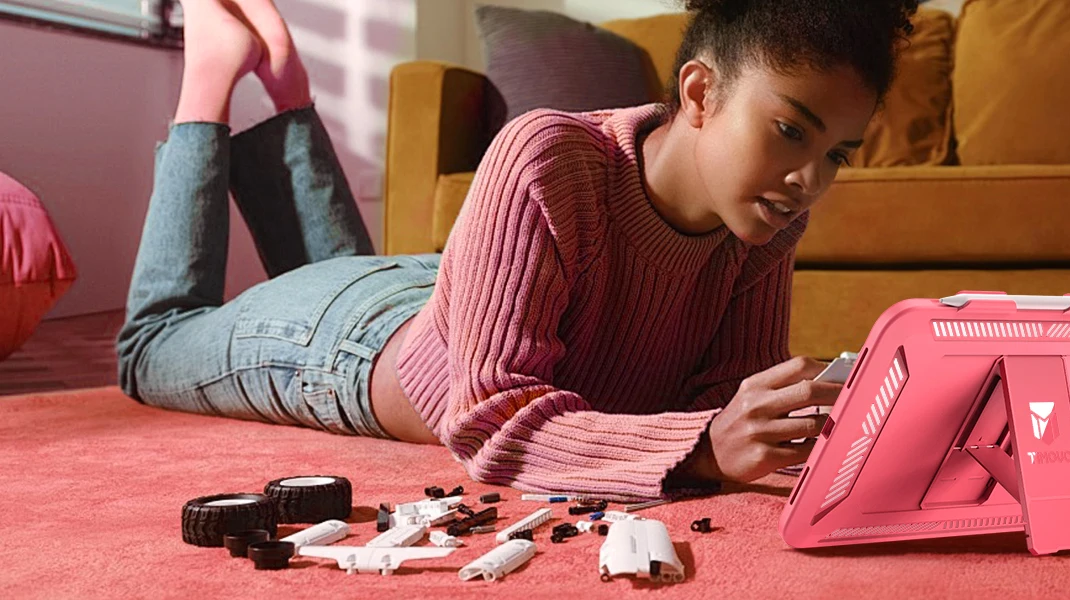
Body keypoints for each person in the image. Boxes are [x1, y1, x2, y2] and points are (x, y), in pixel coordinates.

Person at [117, 0, 918, 501]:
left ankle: (292, 103)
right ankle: (210, 80)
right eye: (790, 130)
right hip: (345, 344)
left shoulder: (767, 218)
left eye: (838, 154)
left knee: (340, 275)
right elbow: (489, 421)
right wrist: (705, 449)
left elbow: (719, 397)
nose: (810, 180)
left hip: (456, 295)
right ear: (701, 93)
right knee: (151, 346)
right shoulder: (548, 156)